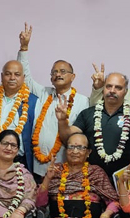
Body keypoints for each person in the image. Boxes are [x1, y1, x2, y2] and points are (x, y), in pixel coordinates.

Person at [17, 23, 90, 177]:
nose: (58, 74)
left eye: (63, 71)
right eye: (54, 72)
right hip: (37, 167)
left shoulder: (83, 101)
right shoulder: (44, 93)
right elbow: (26, 78)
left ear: (73, 76)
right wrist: (24, 48)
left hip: (65, 169)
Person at [59, 73, 130, 178]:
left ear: (125, 91)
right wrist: (62, 120)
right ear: (103, 89)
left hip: (122, 178)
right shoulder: (88, 113)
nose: (112, 90)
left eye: (118, 87)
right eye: (108, 86)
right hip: (90, 178)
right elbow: (66, 138)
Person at [0, 60, 41, 172]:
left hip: (17, 164)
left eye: (17, 74)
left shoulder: (33, 101)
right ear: (2, 76)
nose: (12, 78)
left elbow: (36, 133)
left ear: (23, 78)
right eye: (8, 74)